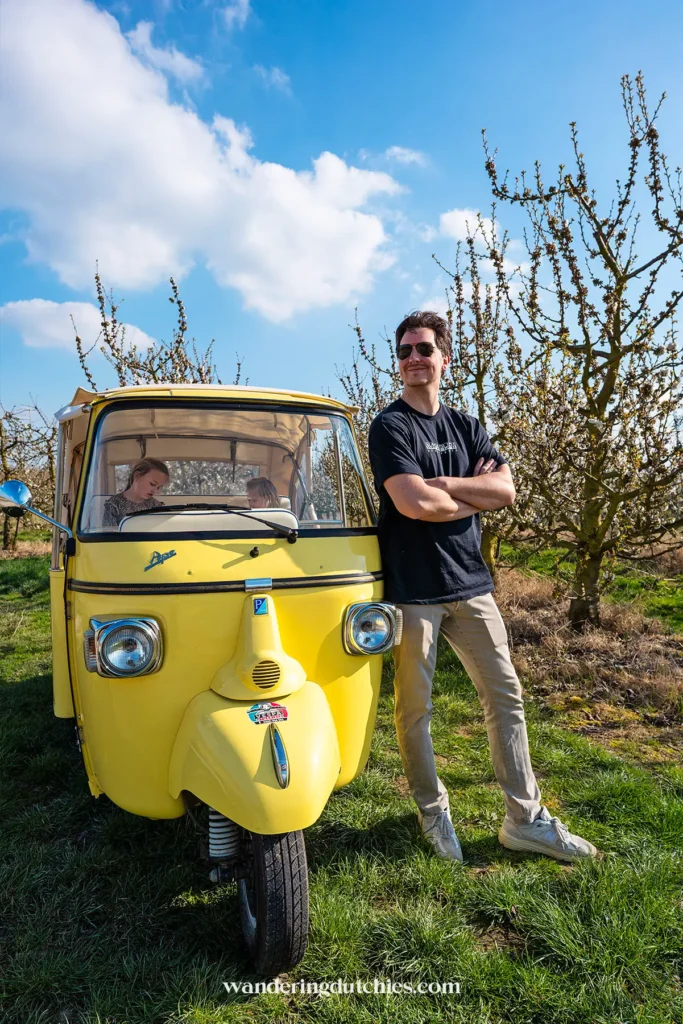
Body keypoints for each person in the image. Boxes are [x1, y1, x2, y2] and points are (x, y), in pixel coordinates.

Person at [368, 310, 597, 864]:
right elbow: (413, 503)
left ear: (444, 357)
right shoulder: (390, 427)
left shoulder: (467, 426)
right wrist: (467, 494)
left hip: (471, 584)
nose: (413, 359)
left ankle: (525, 819)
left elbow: (506, 492)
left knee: (505, 696)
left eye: (423, 349)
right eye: (403, 352)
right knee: (414, 710)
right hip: (412, 590)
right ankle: (432, 811)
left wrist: (444, 486)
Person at [102, 458, 170, 528]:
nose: (155, 491)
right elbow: (109, 536)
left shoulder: (156, 506)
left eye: (159, 487)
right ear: (137, 476)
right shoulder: (114, 505)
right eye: (152, 484)